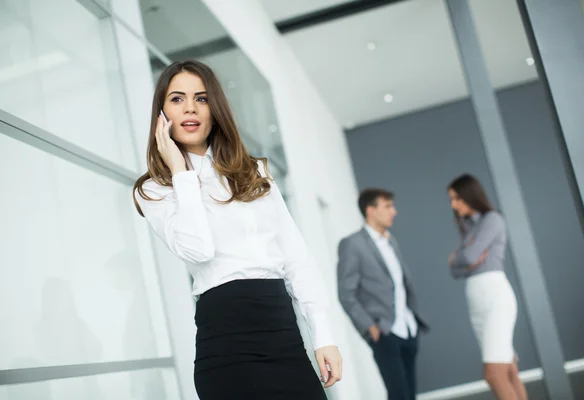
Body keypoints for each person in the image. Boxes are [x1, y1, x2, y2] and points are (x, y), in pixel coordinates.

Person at [133, 60, 342, 399]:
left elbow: (296, 258)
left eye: (201, 98)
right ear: (161, 113)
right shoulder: (155, 190)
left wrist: (323, 336)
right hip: (226, 347)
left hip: (283, 335)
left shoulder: (254, 173)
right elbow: (199, 250)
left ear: (215, 109)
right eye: (177, 99)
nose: (190, 108)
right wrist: (180, 173)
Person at [338, 188, 428, 400]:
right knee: (398, 395)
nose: (394, 212)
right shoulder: (352, 244)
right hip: (384, 331)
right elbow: (346, 293)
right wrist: (369, 326)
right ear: (370, 210)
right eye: (387, 206)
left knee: (410, 394)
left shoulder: (390, 240)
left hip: (408, 328)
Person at [447, 174, 527, 400]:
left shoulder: (492, 219)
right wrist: (464, 259)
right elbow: (456, 270)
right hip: (477, 302)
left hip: (494, 297)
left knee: (494, 373)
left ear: (469, 195)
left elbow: (468, 256)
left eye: (456, 198)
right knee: (509, 369)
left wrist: (460, 257)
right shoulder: (468, 228)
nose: (453, 205)